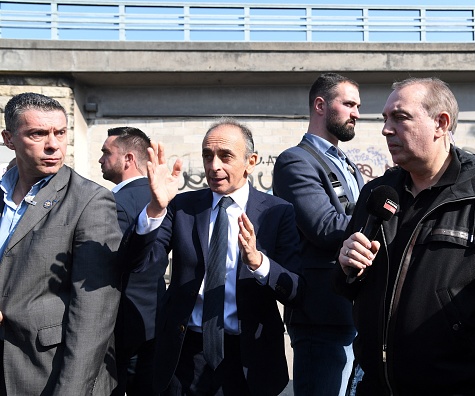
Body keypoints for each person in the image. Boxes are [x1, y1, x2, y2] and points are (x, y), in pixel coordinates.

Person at [334, 78, 475, 395]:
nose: (386, 129)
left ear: (441, 123)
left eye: (400, 117)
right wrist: (345, 268)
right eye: (385, 118)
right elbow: (347, 286)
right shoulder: (377, 194)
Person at [118, 118, 305, 395]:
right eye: (208, 156)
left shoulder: (277, 212)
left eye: (225, 156)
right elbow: (139, 263)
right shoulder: (182, 207)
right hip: (185, 356)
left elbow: (295, 289)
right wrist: (155, 210)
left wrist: (259, 263)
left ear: (250, 162)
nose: (214, 166)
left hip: (248, 359)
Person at [0, 92, 122, 395]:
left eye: (60, 132)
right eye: (38, 134)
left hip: (48, 373)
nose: (53, 144)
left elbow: (94, 317)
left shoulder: (90, 201)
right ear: (9, 139)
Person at [273, 72, 364, 396]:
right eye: (349, 104)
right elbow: (325, 227)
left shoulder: (347, 164)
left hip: (351, 311)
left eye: (358, 105)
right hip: (321, 314)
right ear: (321, 105)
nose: (356, 113)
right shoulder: (294, 161)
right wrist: (384, 224)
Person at [99, 126, 161, 396]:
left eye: (106, 153)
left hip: (122, 324)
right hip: (156, 315)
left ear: (128, 159)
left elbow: (113, 263)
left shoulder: (114, 202)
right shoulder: (160, 196)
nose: (100, 160)